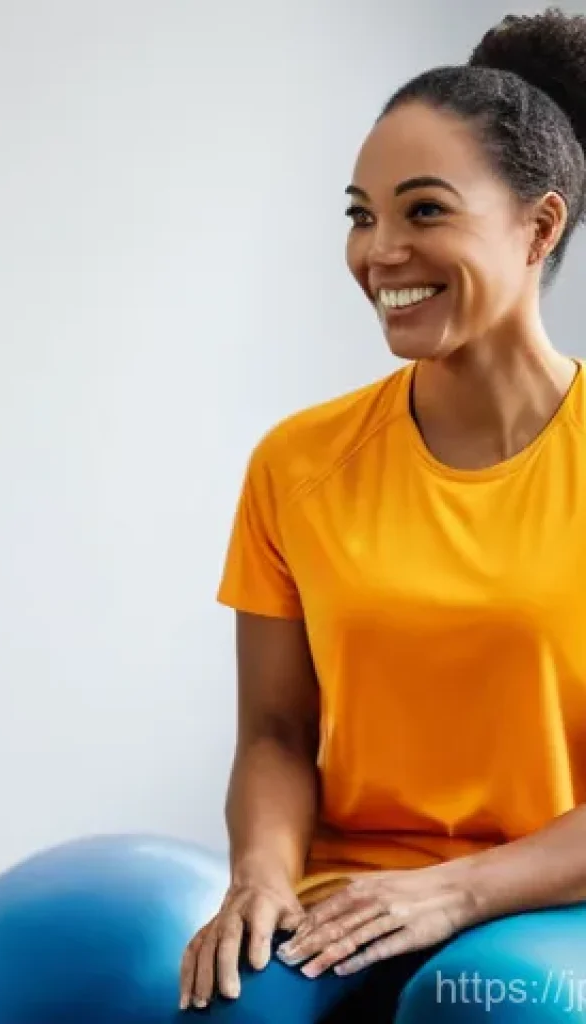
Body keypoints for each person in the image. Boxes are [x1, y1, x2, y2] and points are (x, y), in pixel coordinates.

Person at [181, 9, 586, 1023]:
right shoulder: (298, 461)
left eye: (423, 211)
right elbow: (274, 730)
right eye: (361, 214)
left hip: (558, 899)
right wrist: (260, 877)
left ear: (538, 228)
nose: (380, 252)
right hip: (349, 894)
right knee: (229, 1008)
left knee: (477, 1002)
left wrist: (459, 889)